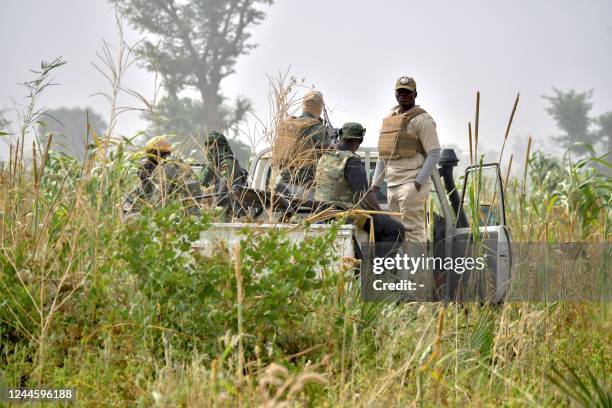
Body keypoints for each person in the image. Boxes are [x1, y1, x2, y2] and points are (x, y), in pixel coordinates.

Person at [314, 122, 405, 256]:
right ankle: (376, 271)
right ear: (357, 140)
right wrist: (382, 215)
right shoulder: (351, 161)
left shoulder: (324, 157)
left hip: (322, 213)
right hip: (343, 216)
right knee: (395, 229)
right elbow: (364, 197)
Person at [372, 76, 441, 243]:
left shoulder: (422, 120)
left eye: (407, 92)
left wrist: (418, 183)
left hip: (411, 185)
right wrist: (375, 185)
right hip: (393, 186)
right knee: (397, 235)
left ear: (415, 94)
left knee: (414, 234)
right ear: (395, 93)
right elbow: (384, 154)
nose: (403, 95)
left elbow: (434, 153)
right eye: (400, 91)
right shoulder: (390, 119)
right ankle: (405, 270)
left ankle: (418, 270)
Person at [123, 136, 202, 216]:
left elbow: (156, 203)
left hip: (178, 216)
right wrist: (146, 181)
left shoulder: (164, 169)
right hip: (194, 213)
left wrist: (145, 181)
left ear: (153, 154)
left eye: (148, 155)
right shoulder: (182, 164)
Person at [272, 90, 332, 195]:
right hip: (305, 187)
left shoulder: (288, 125)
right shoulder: (318, 128)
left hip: (284, 182)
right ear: (320, 107)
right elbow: (330, 158)